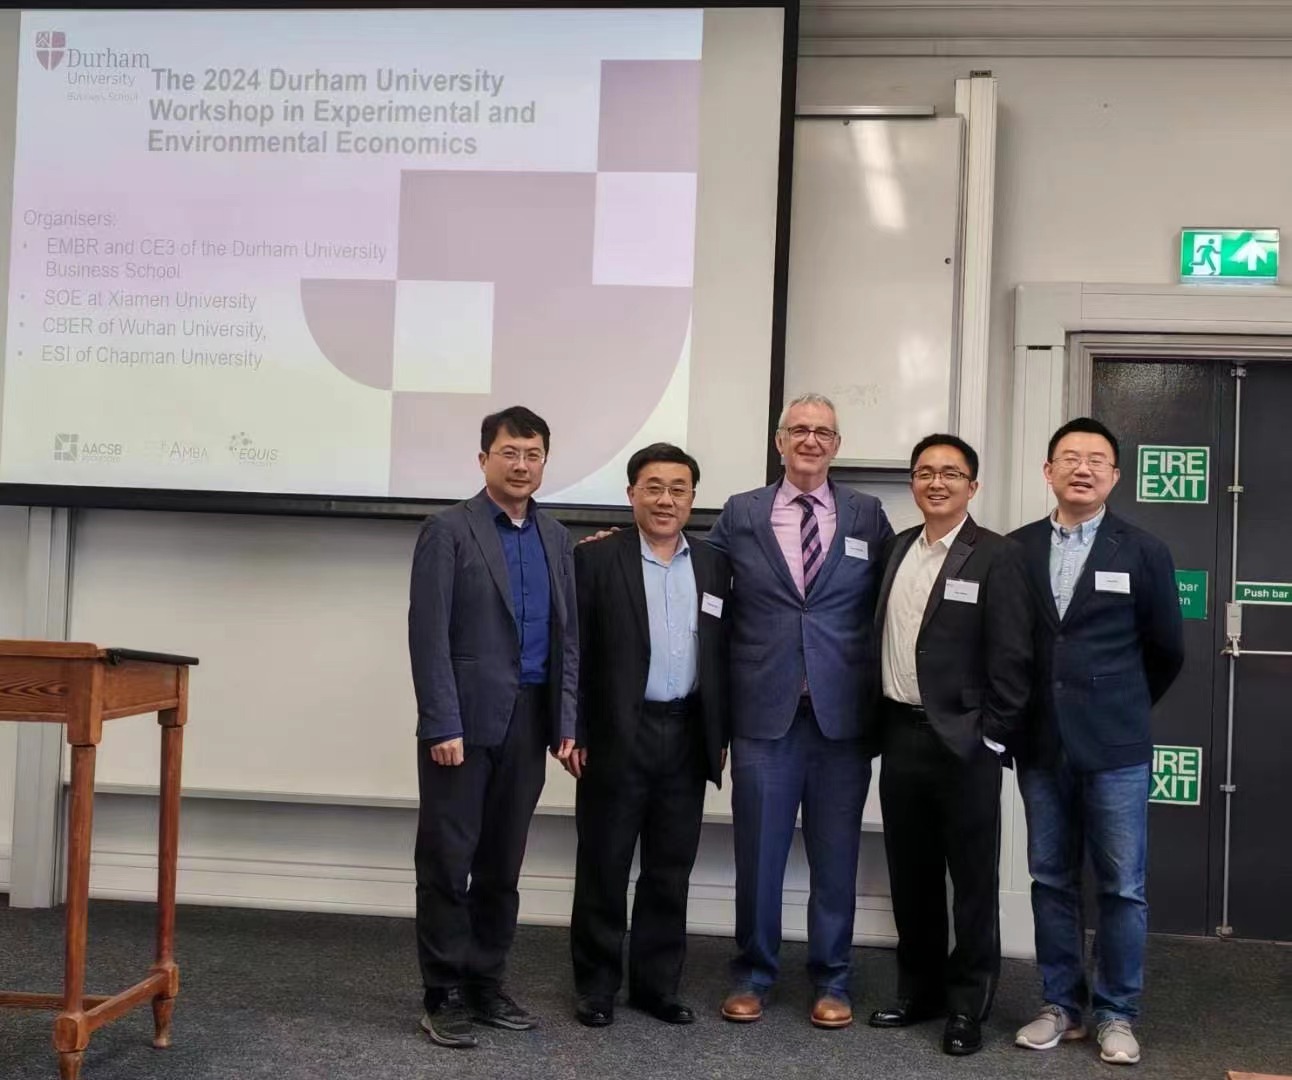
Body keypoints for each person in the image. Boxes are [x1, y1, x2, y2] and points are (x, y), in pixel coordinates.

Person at [708, 392, 893, 1029]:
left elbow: (894, 593)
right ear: (780, 441)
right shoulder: (742, 512)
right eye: (799, 430)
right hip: (764, 714)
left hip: (842, 718)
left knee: (836, 858)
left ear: (837, 445)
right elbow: (699, 577)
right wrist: (619, 546)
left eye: (823, 432)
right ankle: (753, 975)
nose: (811, 440)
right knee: (758, 856)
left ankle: (833, 978)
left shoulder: (868, 514)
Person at [1009, 417, 1184, 1067]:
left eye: (1096, 459)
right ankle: (1061, 1004)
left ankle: (1116, 1013)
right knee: (1050, 878)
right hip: (1040, 743)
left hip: (1115, 746)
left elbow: (1166, 650)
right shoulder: (1017, 548)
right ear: (1048, 471)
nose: (1082, 468)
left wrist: (1120, 705)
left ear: (1114, 475)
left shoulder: (1143, 551)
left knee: (1121, 887)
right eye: (1069, 457)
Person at [408, 405, 578, 1050]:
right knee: (448, 862)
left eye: (533, 454)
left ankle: (485, 982)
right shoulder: (447, 530)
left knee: (503, 864)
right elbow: (428, 634)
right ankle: (443, 992)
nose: (521, 465)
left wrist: (566, 722)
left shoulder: (556, 537)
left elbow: (568, 640)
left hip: (530, 721)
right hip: (463, 723)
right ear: (484, 459)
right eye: (509, 452)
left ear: (544, 462)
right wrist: (440, 722)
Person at [866, 434, 1032, 1055]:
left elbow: (1013, 658)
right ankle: (921, 992)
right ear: (912, 482)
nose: (936, 483)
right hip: (900, 734)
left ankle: (967, 1006)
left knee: (972, 882)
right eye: (925, 472)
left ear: (972, 486)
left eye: (950, 473)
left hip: (965, 744)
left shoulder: (997, 555)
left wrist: (991, 736)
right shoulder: (895, 548)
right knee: (910, 875)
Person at [567, 443, 731, 1028]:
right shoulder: (594, 558)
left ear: (692, 498)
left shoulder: (714, 564)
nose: (666, 499)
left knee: (670, 868)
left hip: (686, 734)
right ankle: (596, 986)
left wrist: (719, 733)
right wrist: (574, 729)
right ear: (631, 493)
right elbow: (574, 651)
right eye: (654, 487)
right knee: (604, 863)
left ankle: (656, 987)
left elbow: (723, 654)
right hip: (618, 733)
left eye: (678, 489)